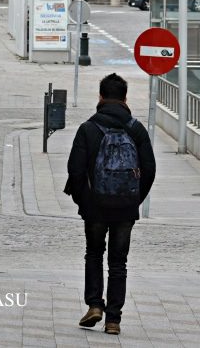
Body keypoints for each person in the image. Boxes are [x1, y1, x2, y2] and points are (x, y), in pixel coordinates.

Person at [64, 73, 156, 336]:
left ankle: (94, 304)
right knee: (119, 262)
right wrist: (133, 199)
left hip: (95, 206)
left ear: (101, 97)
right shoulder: (136, 129)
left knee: (94, 253)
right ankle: (113, 319)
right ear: (125, 98)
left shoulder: (89, 128)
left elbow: (75, 170)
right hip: (125, 207)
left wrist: (84, 200)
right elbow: (149, 169)